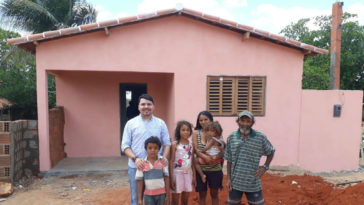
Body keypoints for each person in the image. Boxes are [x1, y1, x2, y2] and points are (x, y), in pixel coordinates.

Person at [121, 94, 171, 205]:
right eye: (143, 104)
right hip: (136, 166)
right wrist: (136, 159)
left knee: (157, 196)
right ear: (138, 107)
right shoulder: (130, 124)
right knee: (136, 198)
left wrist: (164, 158)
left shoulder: (161, 123)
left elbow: (167, 143)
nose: (146, 107)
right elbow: (125, 146)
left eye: (149, 104)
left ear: (153, 106)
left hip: (156, 167)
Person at [224, 110, 275, 205]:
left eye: (248, 121)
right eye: (242, 120)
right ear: (238, 121)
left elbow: (271, 151)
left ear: (252, 123)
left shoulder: (260, 137)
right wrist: (228, 179)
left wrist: (265, 167)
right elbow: (229, 159)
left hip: (253, 181)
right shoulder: (231, 137)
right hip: (235, 181)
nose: (245, 123)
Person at [192, 111, 223, 205]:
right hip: (202, 169)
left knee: (214, 194)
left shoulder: (216, 133)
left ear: (211, 120)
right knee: (202, 195)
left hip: (215, 169)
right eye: (200, 120)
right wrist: (205, 157)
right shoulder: (196, 133)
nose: (203, 122)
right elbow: (195, 149)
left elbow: (222, 150)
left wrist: (216, 158)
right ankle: (202, 175)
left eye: (206, 119)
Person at [136, 136, 170, 205]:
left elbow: (166, 178)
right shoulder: (142, 163)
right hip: (148, 196)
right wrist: (139, 199)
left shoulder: (163, 162)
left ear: (159, 149)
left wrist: (168, 196)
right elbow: (140, 182)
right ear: (146, 149)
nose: (152, 150)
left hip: (161, 195)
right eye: (150, 148)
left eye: (155, 148)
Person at [170, 120, 196, 205]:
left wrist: (194, 176)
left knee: (185, 200)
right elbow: (171, 161)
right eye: (183, 130)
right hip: (177, 175)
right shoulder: (175, 144)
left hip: (188, 175)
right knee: (175, 200)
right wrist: (171, 177)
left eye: (188, 130)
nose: (186, 132)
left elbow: (192, 162)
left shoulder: (191, 145)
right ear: (179, 131)